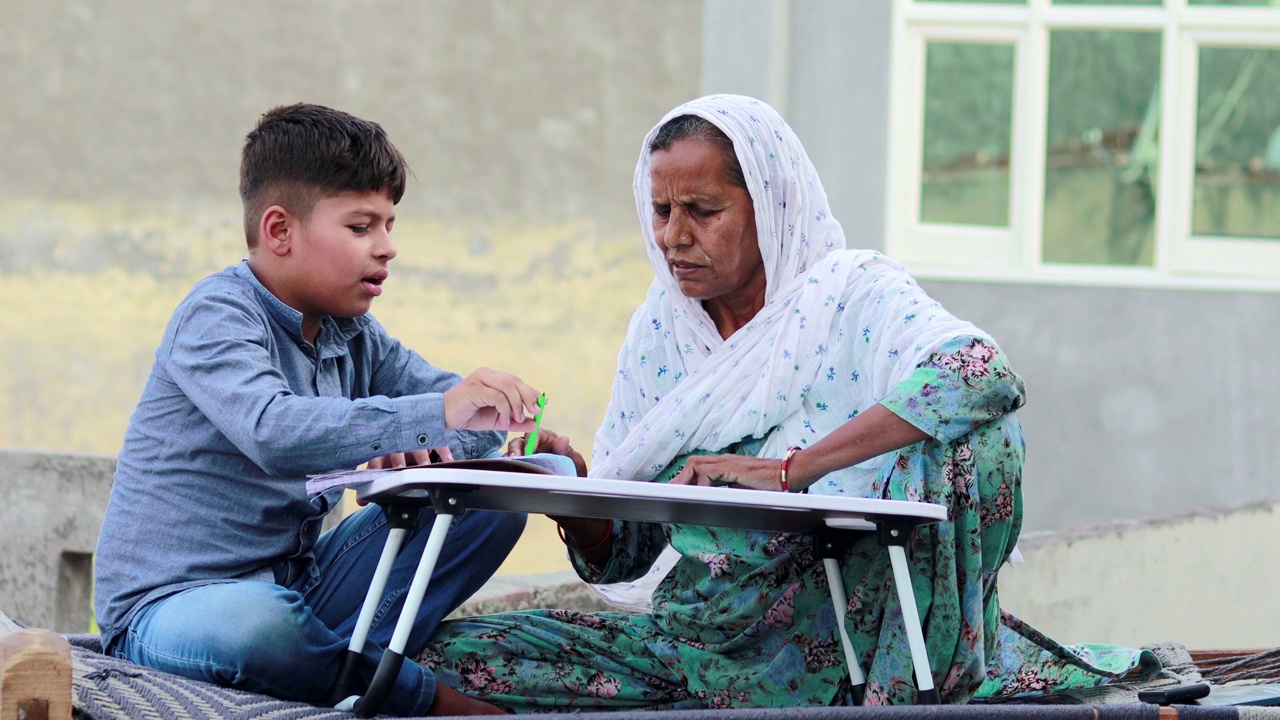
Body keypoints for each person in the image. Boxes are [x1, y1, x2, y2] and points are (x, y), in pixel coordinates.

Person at [421, 95, 1157, 710]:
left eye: (702, 210)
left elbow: (980, 372)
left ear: (770, 204)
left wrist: (789, 470)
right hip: (703, 644)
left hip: (863, 637)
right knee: (435, 657)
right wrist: (570, 493)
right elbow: (626, 559)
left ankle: (912, 697)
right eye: (660, 211)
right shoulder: (662, 333)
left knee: (973, 437)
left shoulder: (850, 297)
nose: (674, 237)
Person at [93, 103, 535, 717]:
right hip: (178, 607)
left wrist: (513, 432)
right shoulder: (216, 314)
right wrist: (434, 414)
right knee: (257, 627)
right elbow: (273, 430)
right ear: (280, 231)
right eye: (361, 227)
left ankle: (333, 671)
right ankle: (412, 695)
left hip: (305, 588)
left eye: (389, 225)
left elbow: (453, 415)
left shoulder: (355, 333)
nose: (387, 248)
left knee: (492, 506)